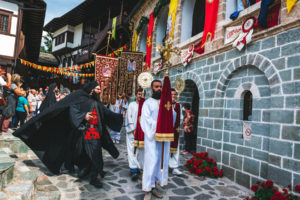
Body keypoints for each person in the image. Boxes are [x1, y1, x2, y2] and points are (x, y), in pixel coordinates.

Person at [13, 81, 123, 188]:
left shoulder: (96, 101)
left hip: (95, 133)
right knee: (82, 153)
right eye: (98, 89)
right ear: (92, 89)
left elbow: (106, 113)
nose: (99, 91)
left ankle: (94, 178)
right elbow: (72, 110)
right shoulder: (80, 98)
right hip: (83, 133)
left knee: (96, 154)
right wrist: (84, 116)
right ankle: (84, 170)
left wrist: (118, 117)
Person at [140, 80, 176, 200]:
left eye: (161, 87)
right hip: (152, 138)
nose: (159, 89)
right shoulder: (148, 103)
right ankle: (147, 190)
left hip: (163, 139)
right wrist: (159, 124)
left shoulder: (166, 103)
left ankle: (154, 186)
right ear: (151, 89)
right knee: (151, 162)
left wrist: (173, 108)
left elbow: (172, 118)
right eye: (156, 87)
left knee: (160, 162)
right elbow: (145, 120)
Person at [125, 88, 144, 181]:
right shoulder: (132, 105)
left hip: (142, 132)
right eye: (139, 94)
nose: (140, 96)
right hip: (133, 132)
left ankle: (138, 167)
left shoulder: (145, 105)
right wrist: (133, 129)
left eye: (142, 94)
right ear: (136, 95)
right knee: (132, 150)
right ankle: (133, 169)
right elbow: (129, 117)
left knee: (141, 150)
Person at [169, 88, 183, 175]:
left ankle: (174, 167)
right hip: (167, 130)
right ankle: (165, 165)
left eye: (175, 94)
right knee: (165, 148)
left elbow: (181, 117)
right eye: (171, 94)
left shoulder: (178, 105)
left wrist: (176, 124)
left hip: (175, 130)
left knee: (176, 149)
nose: (173, 96)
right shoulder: (165, 104)